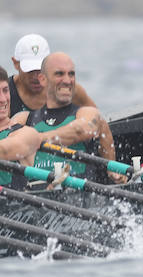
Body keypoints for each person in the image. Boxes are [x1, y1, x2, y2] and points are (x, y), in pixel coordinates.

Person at [22, 52, 121, 183]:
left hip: (79, 195)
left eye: (71, 74)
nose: (68, 81)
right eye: (59, 74)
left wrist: (37, 139)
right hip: (34, 195)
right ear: (42, 79)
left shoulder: (87, 113)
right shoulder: (24, 119)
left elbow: (82, 130)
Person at [8, 33, 95, 116]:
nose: (36, 77)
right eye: (30, 70)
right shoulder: (4, 94)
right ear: (16, 63)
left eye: (40, 69)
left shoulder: (72, 90)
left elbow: (98, 120)